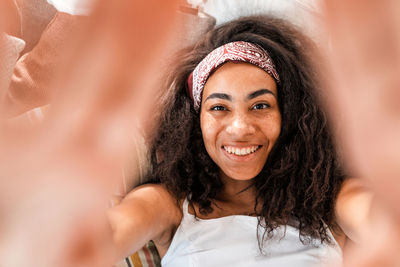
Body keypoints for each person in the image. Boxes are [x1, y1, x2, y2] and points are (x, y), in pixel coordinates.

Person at [107, 15, 353, 267]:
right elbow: (104, 237)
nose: (240, 129)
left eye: (259, 105)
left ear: (287, 115)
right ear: (194, 121)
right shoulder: (167, 205)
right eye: (218, 108)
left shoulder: (331, 200)